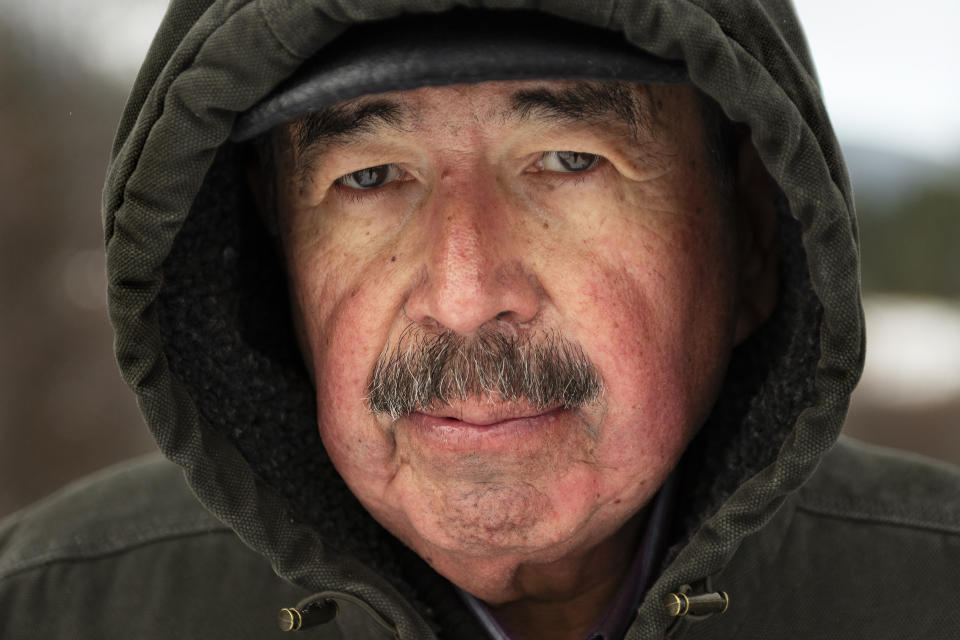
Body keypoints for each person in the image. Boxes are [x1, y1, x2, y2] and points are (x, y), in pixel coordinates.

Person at [1, 2, 958, 639]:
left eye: (569, 160)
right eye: (369, 177)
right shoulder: (55, 607)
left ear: (753, 237)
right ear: (270, 264)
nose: (464, 290)